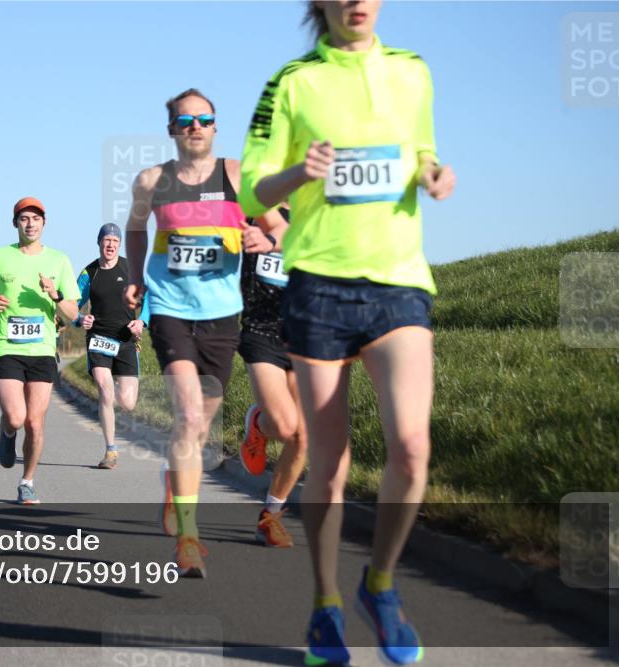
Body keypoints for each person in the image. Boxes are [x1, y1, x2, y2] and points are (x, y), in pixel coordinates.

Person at [240, 2, 456, 664]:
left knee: (412, 447)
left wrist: (432, 172)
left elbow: (422, 151)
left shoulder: (412, 73)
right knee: (329, 464)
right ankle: (325, 605)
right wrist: (296, 172)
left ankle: (381, 583)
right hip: (320, 286)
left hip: (397, 282)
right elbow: (252, 188)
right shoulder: (293, 81)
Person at [124, 88, 246, 577]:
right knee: (190, 413)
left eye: (204, 119)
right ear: (172, 129)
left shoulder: (238, 175)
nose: (195, 126)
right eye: (185, 120)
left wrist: (266, 232)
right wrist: (135, 276)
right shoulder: (152, 180)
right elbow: (135, 229)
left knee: (199, 425)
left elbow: (277, 221)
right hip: (171, 308)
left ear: (216, 127)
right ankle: (190, 541)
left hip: (223, 313)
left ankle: (175, 487)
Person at [0, 197, 80, 505]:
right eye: (24, 219)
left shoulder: (59, 261)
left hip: (43, 348)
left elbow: (72, 313)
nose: (30, 223)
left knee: (35, 422)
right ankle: (7, 433)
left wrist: (56, 294)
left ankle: (27, 481)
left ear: (44, 224)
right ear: (16, 224)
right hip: (6, 345)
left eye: (36, 218)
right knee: (16, 416)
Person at [237, 204, 309, 548]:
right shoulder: (255, 209)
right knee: (283, 426)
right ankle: (259, 421)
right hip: (261, 329)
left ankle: (270, 516)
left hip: (307, 333)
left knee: (303, 436)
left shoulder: (319, 211)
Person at [74, 223, 146, 469]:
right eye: (107, 240)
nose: (111, 245)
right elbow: (73, 304)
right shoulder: (89, 273)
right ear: (99, 243)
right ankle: (111, 450)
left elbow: (150, 299)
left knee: (127, 403)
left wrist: (142, 320)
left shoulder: (131, 269)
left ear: (120, 245)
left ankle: (115, 387)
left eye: (115, 241)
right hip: (99, 339)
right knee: (105, 391)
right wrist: (79, 319)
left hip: (126, 339)